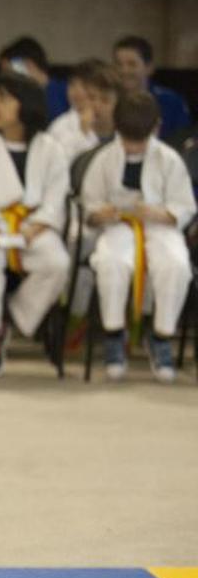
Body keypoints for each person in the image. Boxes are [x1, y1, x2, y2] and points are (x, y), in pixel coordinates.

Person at [0, 72, 70, 375]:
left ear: (26, 104)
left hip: (34, 227)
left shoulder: (51, 149)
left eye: (4, 99)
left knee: (57, 262)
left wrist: (38, 225)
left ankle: (14, 318)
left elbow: (56, 198)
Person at [82, 90, 196, 383]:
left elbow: (184, 206)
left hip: (160, 227)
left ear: (155, 128)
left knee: (175, 264)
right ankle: (113, 335)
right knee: (111, 262)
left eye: (139, 140)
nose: (133, 147)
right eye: (127, 139)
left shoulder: (169, 159)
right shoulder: (104, 159)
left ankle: (161, 336)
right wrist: (101, 213)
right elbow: (89, 204)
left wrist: (162, 213)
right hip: (118, 226)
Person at [112, 35, 192, 141]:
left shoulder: (171, 102)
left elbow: (184, 140)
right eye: (118, 64)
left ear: (149, 68)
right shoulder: (108, 100)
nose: (124, 71)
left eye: (132, 64)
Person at [0, 36, 69, 121]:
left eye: (9, 72)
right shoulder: (28, 100)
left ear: (28, 64)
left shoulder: (65, 92)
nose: (7, 80)